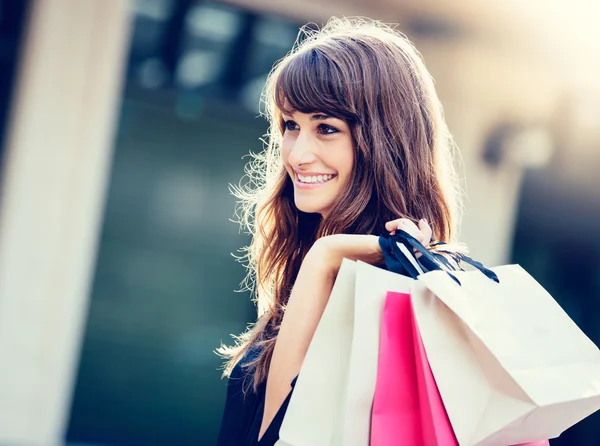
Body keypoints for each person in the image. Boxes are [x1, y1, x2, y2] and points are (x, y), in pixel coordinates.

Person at [216, 16, 464, 446]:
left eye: (326, 128)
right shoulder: (316, 263)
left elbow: (275, 435)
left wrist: (326, 258)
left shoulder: (404, 292)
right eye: (291, 125)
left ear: (386, 141)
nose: (298, 153)